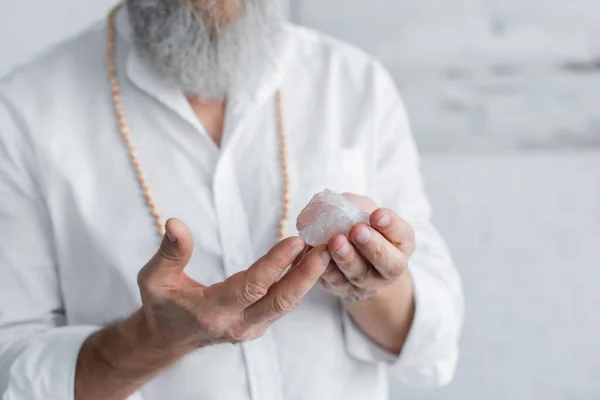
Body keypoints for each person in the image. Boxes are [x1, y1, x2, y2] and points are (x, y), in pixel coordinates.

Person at [0, 0, 464, 399]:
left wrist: (370, 283)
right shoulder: (24, 111)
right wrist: (154, 339)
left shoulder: (353, 82)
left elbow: (432, 346)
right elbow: (11, 375)